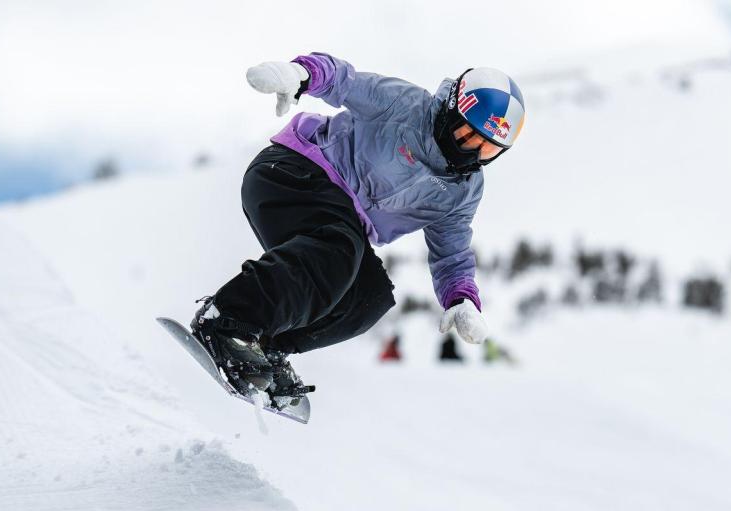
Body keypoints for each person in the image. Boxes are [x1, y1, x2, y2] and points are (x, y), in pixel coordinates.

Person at [190, 53, 525, 408]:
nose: (474, 152)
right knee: (339, 248)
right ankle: (228, 320)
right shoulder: (406, 106)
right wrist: (301, 74)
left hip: (339, 222)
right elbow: (342, 81)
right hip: (294, 172)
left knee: (369, 299)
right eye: (468, 136)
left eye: (489, 148)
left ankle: (263, 348)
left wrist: (460, 299)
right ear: (453, 111)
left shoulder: (464, 189)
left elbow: (452, 251)